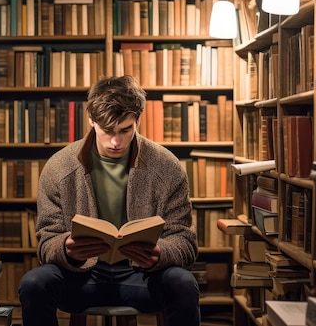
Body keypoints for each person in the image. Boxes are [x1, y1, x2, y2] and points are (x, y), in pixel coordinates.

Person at [18, 75, 200, 326]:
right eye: (107, 131)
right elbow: (46, 241)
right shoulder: (59, 167)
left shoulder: (166, 166)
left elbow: (185, 241)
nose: (116, 142)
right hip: (81, 276)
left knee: (183, 284)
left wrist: (160, 254)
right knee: (34, 284)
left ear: (138, 120)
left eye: (125, 130)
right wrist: (67, 250)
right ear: (91, 120)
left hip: (141, 277)